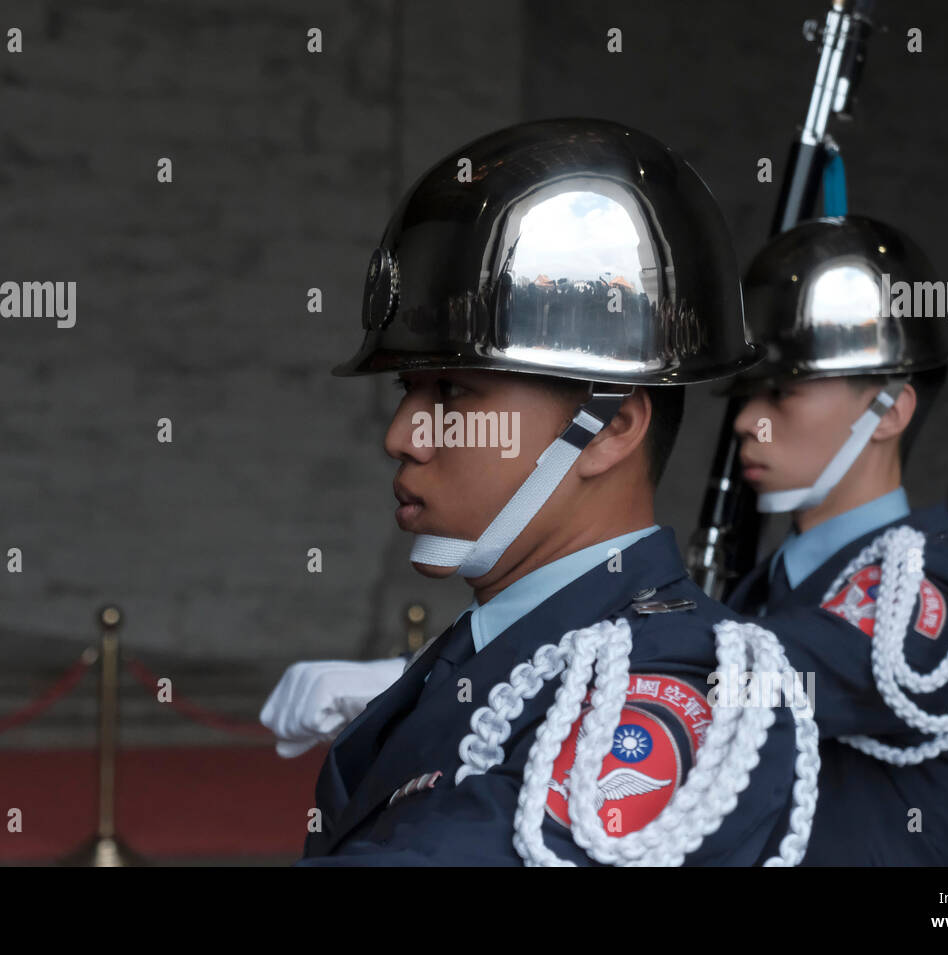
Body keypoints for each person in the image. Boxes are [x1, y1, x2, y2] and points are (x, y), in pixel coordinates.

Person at [285, 117, 818, 866]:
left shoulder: (669, 689)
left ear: (609, 429)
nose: (403, 434)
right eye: (410, 388)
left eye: (454, 392)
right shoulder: (483, 651)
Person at [724, 215, 948, 865]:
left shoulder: (940, 588)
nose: (745, 421)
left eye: (779, 392)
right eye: (744, 395)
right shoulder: (760, 585)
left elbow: (763, 677)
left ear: (890, 410)